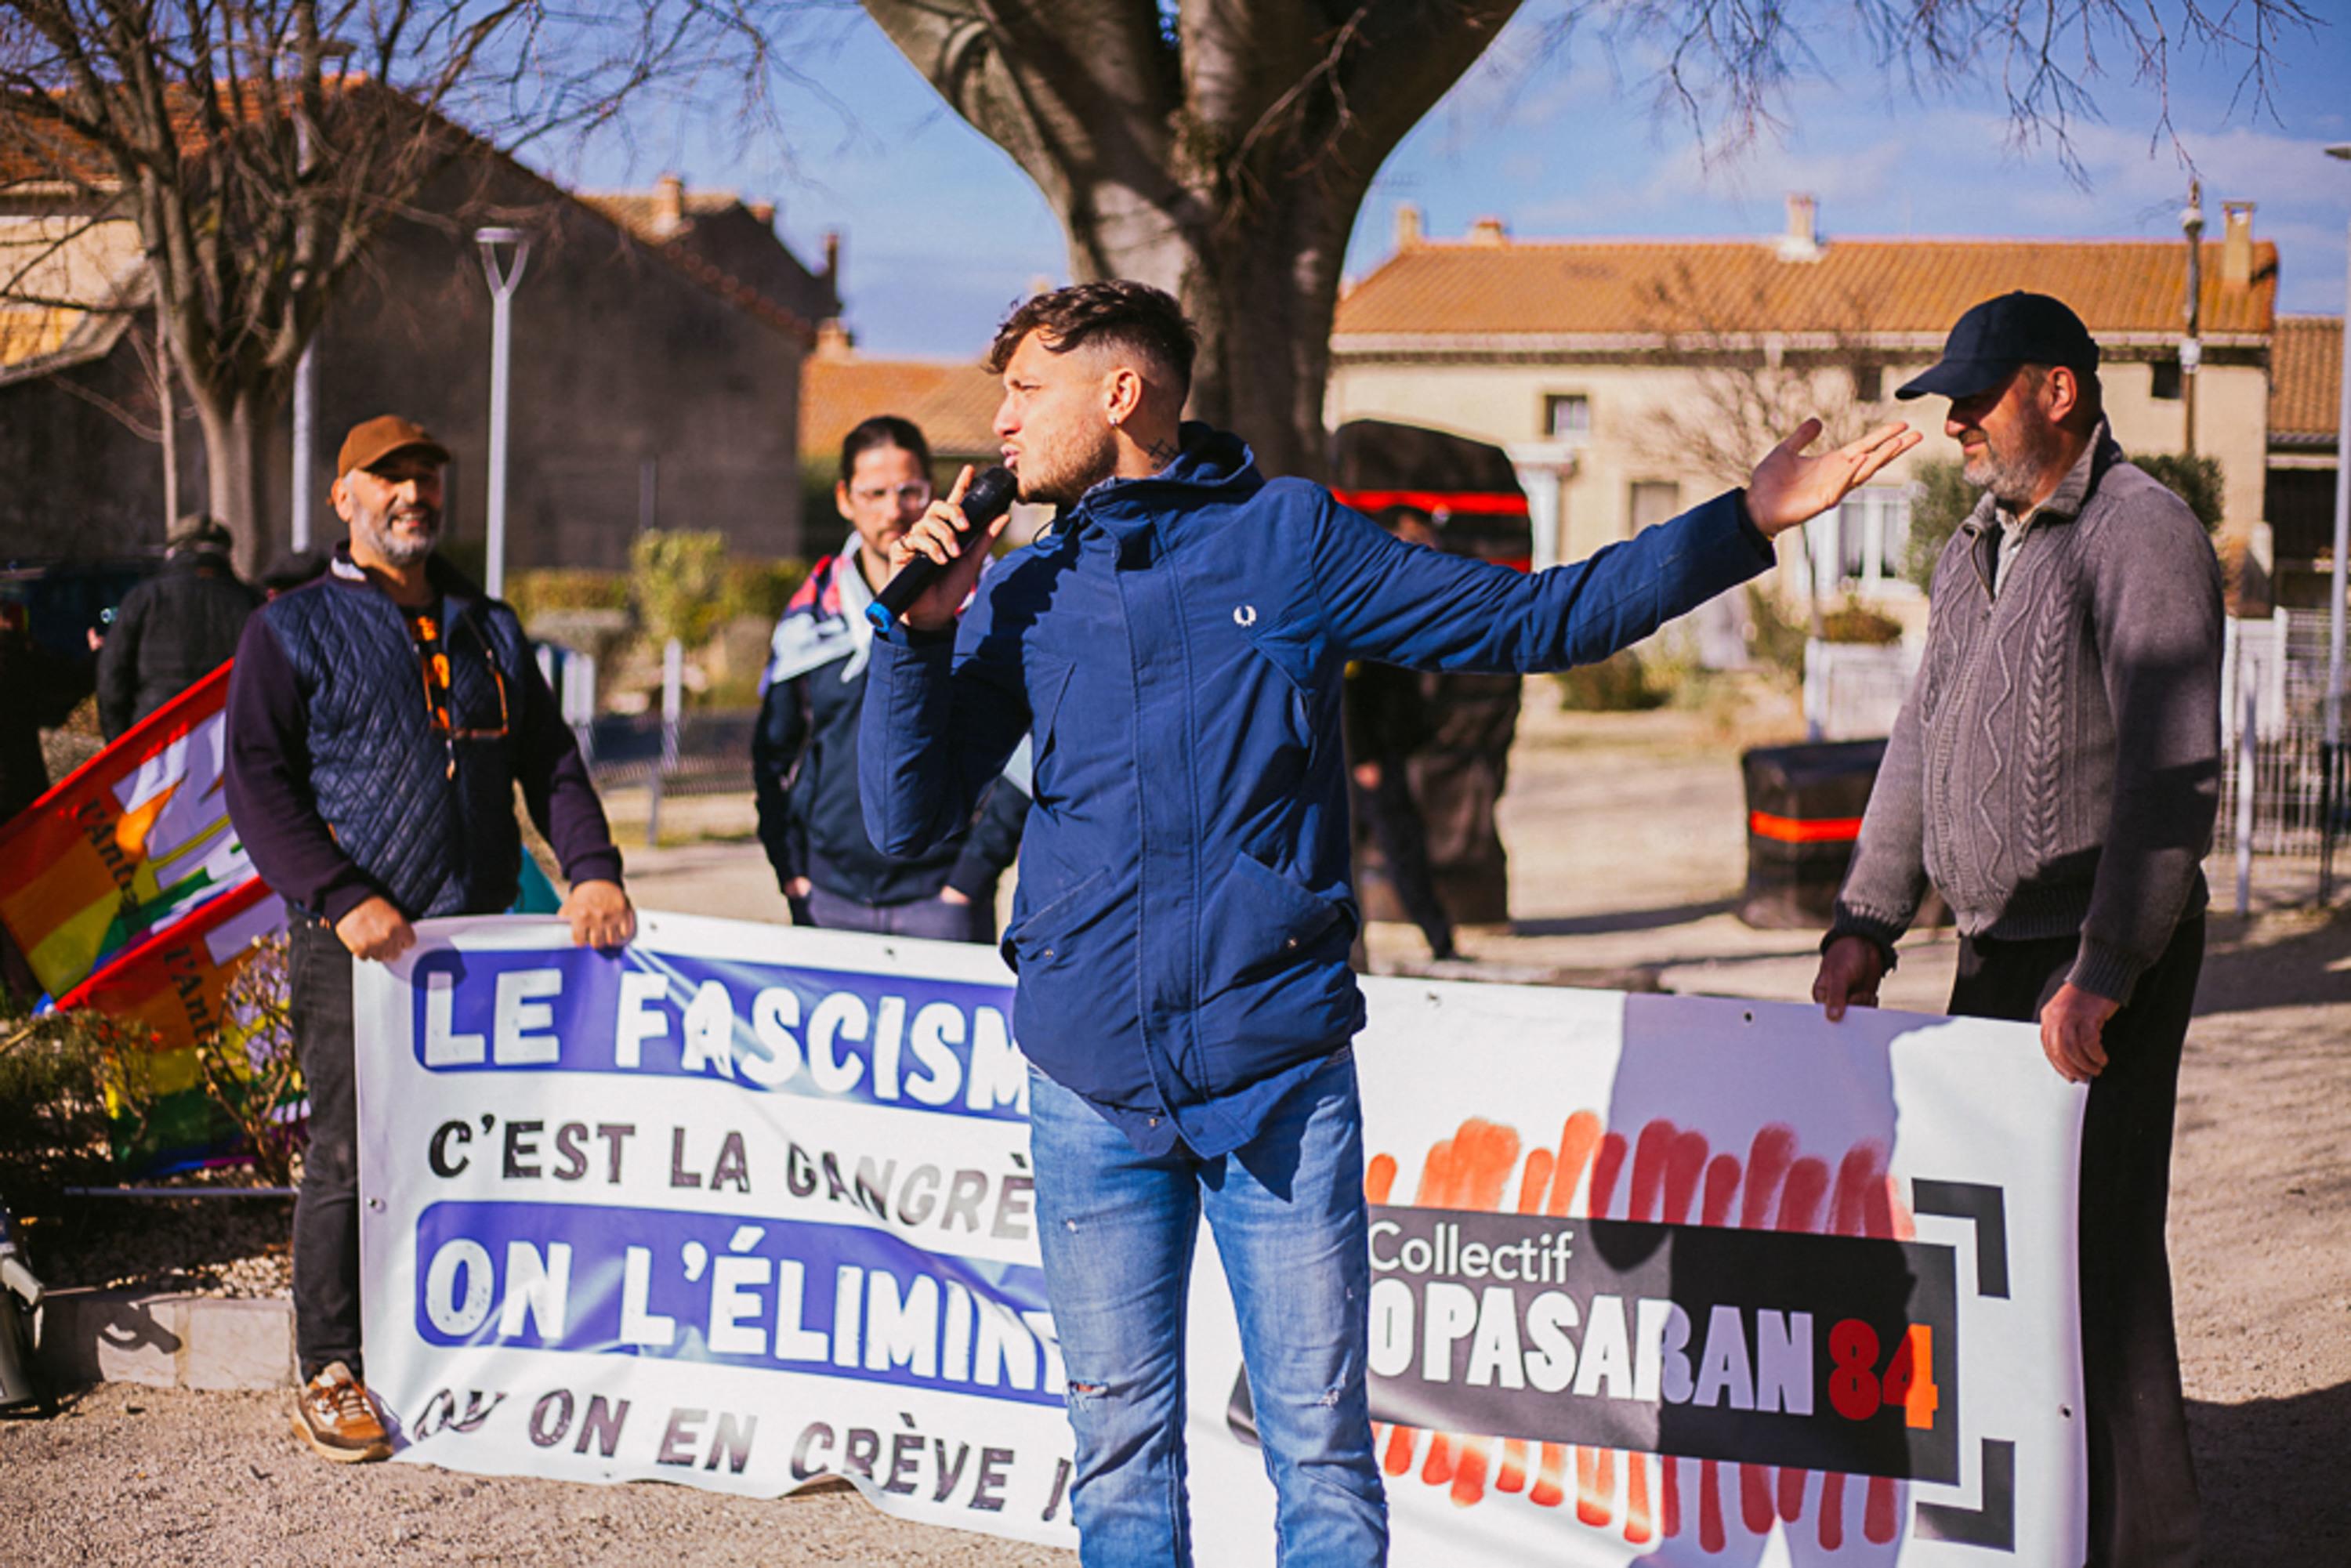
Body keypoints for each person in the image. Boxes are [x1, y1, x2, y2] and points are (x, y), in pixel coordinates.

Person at [859, 280, 1917, 1564]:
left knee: (1318, 1452)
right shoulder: (1025, 589)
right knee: (1120, 1452)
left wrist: (1740, 523)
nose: (1002, 424)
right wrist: (913, 638)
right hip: (1087, 1083)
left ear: (1119, 392)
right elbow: (904, 825)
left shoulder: (1287, 540)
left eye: (1027, 390)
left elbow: (1537, 618)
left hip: (1277, 1075)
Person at [1811, 292, 2219, 1568]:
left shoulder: (2140, 533)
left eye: (1976, 398)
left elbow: (2171, 778)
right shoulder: (1971, 547)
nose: (1957, 424)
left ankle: (2145, 1543)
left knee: (2098, 1249)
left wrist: (2108, 965)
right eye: (1951, 404)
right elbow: (1921, 739)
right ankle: (2028, 1524)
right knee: (1995, 1249)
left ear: (2057, 390)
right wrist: (1867, 918)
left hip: (2097, 952)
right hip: (1995, 948)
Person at [224, 415, 636, 1464]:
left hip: (480, 940)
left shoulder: (486, 626)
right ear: (344, 497)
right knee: (351, 1149)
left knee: (483, 1145)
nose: (413, 494)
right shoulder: (291, 628)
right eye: (389, 477)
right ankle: (332, 1365)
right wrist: (337, 894)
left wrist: (591, 868)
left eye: (427, 477)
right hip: (356, 945)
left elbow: (549, 762)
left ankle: (461, 1349)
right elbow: (258, 783)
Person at [752, 415, 1026, 940]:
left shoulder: (988, 606)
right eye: (874, 493)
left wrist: (969, 879)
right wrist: (791, 872)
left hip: (941, 901)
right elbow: (773, 756)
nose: (893, 510)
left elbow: (1025, 748)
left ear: (931, 491)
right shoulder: (810, 620)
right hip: (829, 897)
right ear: (844, 499)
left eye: (908, 491)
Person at [1344, 506, 1455, 961]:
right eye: (1415, 539)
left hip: (1392, 748)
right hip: (1368, 757)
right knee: (1395, 846)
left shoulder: (1401, 598)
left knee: (1403, 845)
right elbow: (1352, 690)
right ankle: (1438, 941)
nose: (1426, 548)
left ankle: (1440, 940)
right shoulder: (1364, 599)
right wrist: (1363, 755)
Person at [96, 512, 261, 740]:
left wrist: (121, 741)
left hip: (157, 737)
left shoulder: (145, 598)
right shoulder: (252, 602)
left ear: (173, 552)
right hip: (231, 735)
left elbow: (112, 677)